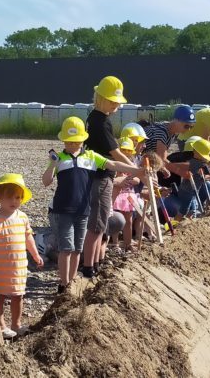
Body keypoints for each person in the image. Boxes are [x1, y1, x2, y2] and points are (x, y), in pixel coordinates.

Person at [43, 116, 145, 287]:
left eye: (76, 142)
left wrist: (136, 170)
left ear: (83, 140)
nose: (73, 145)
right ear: (63, 141)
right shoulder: (59, 158)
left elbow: (113, 164)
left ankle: (71, 282)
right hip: (63, 210)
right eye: (69, 142)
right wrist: (52, 165)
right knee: (66, 249)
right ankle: (63, 283)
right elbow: (46, 182)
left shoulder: (91, 157)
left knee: (77, 249)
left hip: (83, 210)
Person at [83, 76, 135, 277]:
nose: (116, 106)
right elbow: (115, 152)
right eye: (113, 101)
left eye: (118, 103)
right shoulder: (101, 122)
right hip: (101, 176)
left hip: (99, 174)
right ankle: (89, 267)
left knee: (101, 224)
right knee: (97, 224)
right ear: (101, 98)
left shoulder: (94, 118)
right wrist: (135, 168)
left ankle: (94, 264)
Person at [0, 174, 43, 339]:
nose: (14, 201)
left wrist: (36, 255)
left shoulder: (23, 217)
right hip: (0, 267)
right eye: (10, 197)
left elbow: (28, 237)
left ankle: (16, 324)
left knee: (18, 295)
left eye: (18, 197)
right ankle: (0, 325)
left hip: (19, 266)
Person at [143, 105, 197, 179]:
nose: (189, 129)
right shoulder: (162, 132)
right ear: (176, 121)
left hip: (145, 156)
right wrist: (182, 173)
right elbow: (162, 160)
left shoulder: (172, 131)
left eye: (191, 127)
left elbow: (159, 158)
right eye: (186, 126)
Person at [112, 138, 141, 253]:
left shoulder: (132, 164)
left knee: (128, 221)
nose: (126, 152)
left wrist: (130, 179)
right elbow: (115, 178)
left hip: (128, 195)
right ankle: (115, 243)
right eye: (123, 150)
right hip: (118, 194)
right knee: (115, 220)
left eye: (128, 150)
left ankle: (128, 243)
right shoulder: (115, 163)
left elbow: (138, 179)